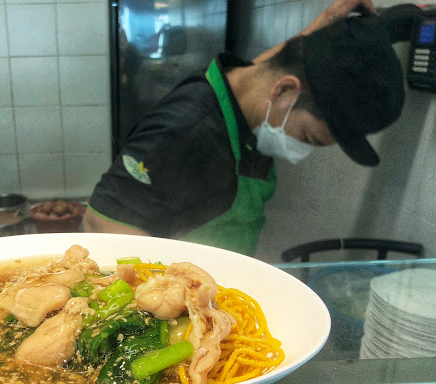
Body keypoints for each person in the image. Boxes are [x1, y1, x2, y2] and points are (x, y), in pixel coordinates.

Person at [82, 0, 409, 256]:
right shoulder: (184, 130)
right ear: (283, 91)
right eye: (308, 137)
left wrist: (323, 26)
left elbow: (274, 65)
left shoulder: (247, 86)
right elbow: (99, 223)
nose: (302, 150)